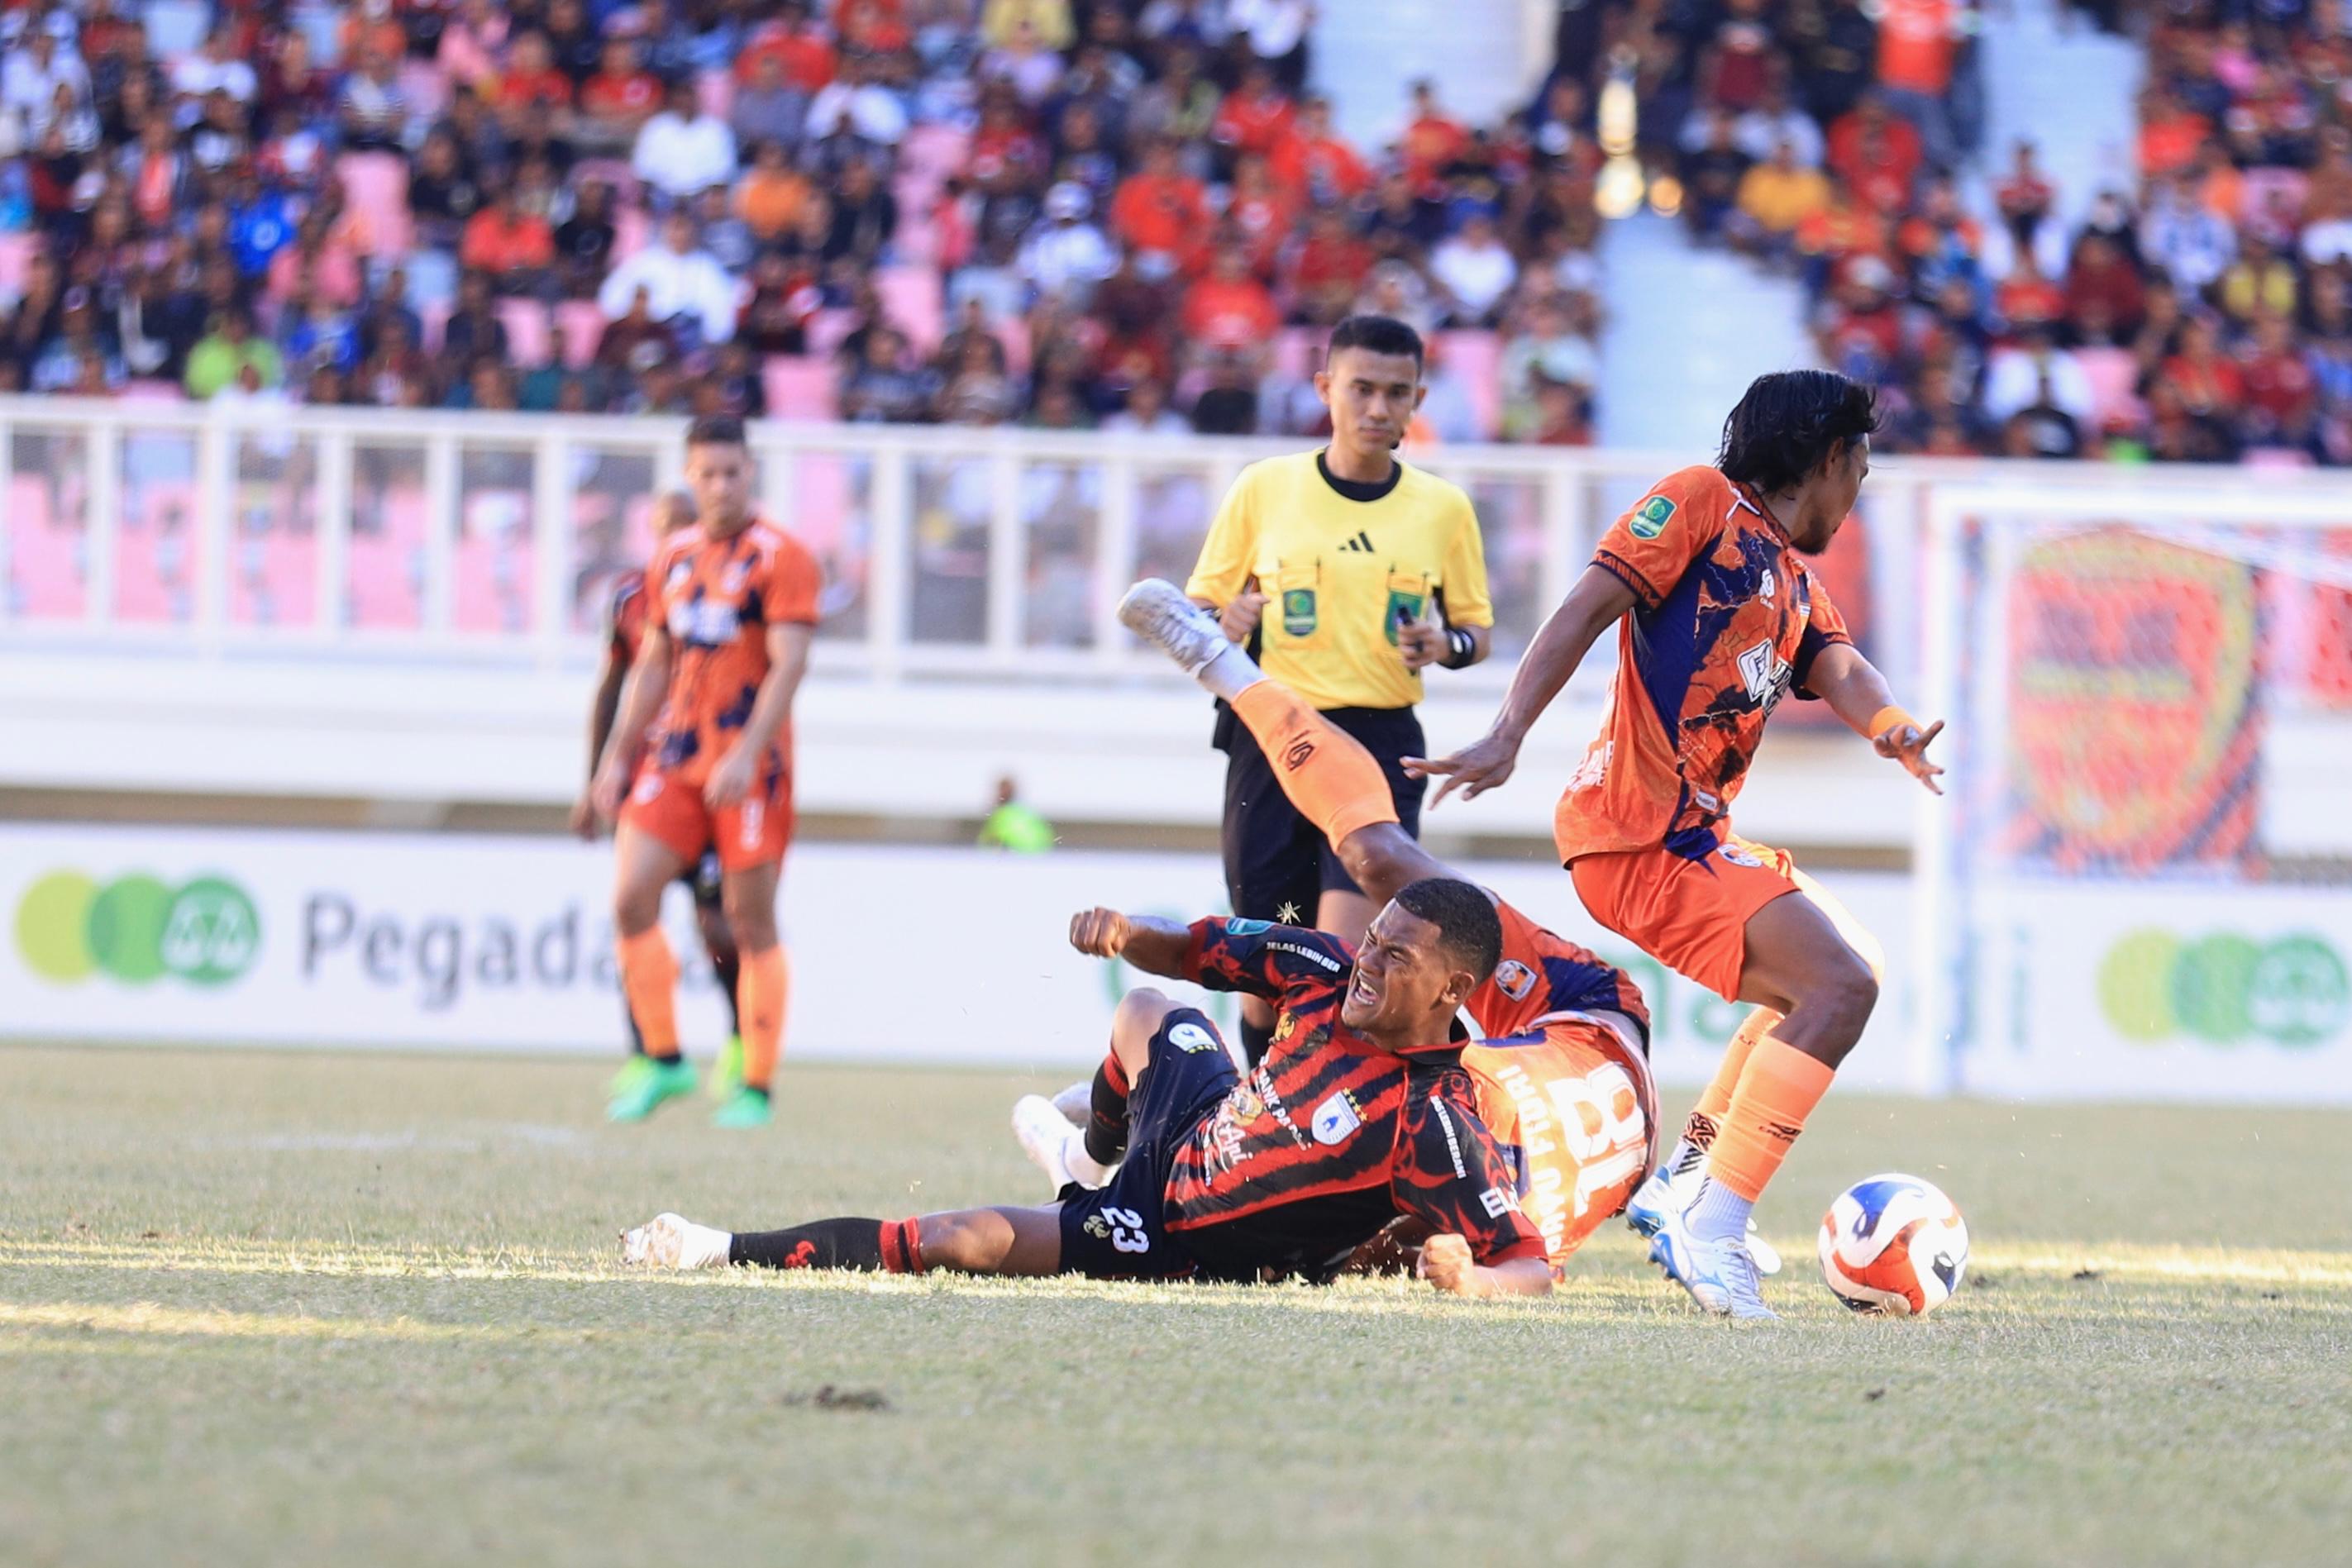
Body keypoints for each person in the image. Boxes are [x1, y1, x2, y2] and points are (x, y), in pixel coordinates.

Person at [1409, 370, 1944, 1318]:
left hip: (1693, 836)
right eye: (1859, 471)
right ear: (1828, 459)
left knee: (1848, 964)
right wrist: (1506, 733)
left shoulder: (1790, 574)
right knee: (1836, 987)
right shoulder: (1700, 500)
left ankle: (1687, 1179)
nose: (1857, 495)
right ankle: (1714, 1223)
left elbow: (1840, 665)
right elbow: (1584, 607)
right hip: (1638, 837)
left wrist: (1891, 724)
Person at [1012, 579, 1674, 1278]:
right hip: (1583, 1012)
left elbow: (1501, 1265)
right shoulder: (1439, 1120)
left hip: (1582, 1105)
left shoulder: (1454, 1174)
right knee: (1375, 862)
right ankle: (1220, 661)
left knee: (1322, 1222)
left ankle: (1114, 1138)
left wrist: (1463, 1278)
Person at [623, 875, 1552, 1299]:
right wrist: (1126, 933)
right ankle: (1087, 1154)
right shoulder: (1322, 966)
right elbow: (1192, 950)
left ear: (1452, 991)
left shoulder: (1434, 1122)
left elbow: (1529, 1264)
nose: (1367, 962)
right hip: (1193, 1130)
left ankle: (713, 1247)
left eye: (1394, 956)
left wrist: (1476, 1280)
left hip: (1178, 1236)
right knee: (1145, 1008)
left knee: (957, 1239)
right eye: (1373, 938)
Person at [1183, 313, 1493, 1069]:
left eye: (1396, 392)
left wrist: (1442, 645)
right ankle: (1260, 1101)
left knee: (1344, 958)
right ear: (1326, 388)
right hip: (1274, 736)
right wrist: (1227, 619)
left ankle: (1326, 1109)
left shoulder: (1442, 508)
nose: (1377, 408)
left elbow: (1474, 631)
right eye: (1361, 388)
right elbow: (1197, 612)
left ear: (1418, 399)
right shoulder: (1265, 488)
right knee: (1264, 970)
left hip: (1379, 743)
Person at [589, 417, 819, 1128]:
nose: (720, 485)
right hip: (675, 758)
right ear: (690, 477)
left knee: (748, 922)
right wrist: (617, 755)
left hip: (750, 766)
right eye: (708, 474)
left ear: (750, 472)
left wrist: (748, 751)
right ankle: (663, 1059)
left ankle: (756, 1084)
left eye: (731, 472)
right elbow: (653, 662)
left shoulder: (782, 556)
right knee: (630, 898)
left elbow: (789, 664)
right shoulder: (673, 556)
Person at [572, 491, 743, 1103]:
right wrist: (597, 777)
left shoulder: (729, 597)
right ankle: (650, 1053)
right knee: (632, 908)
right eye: (664, 528)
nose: (673, 539)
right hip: (648, 782)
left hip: (706, 782)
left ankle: (741, 1041)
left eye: (683, 526)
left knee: (715, 922)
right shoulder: (629, 598)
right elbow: (611, 687)